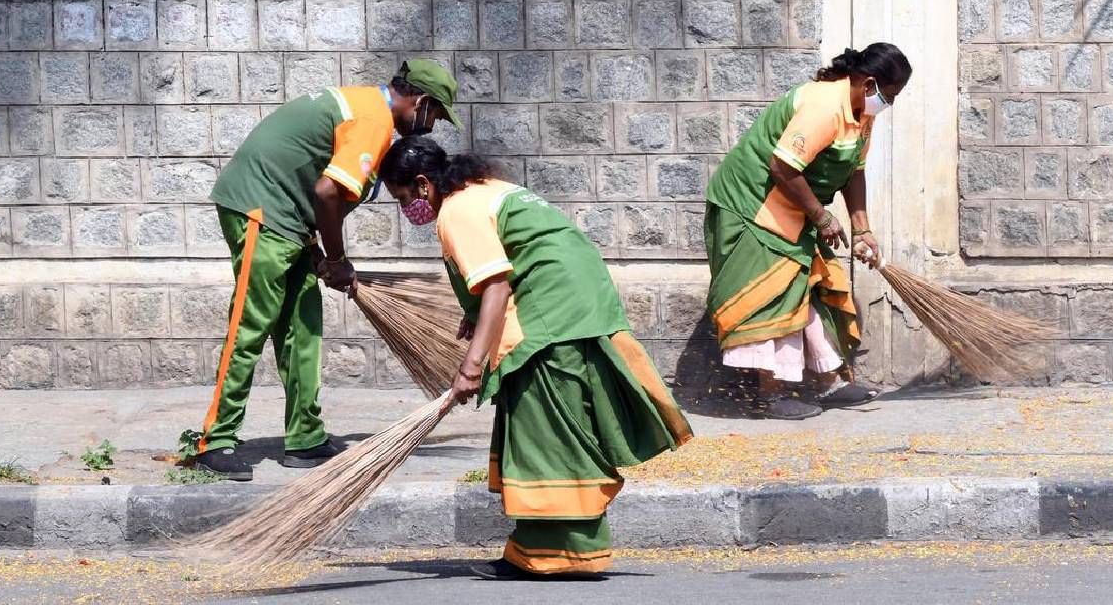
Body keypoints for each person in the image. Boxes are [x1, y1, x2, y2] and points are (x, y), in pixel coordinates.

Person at [379, 136, 693, 580]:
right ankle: (534, 550)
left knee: (548, 432)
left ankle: (559, 556)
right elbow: (514, 259)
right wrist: (476, 322)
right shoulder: (484, 188)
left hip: (550, 316)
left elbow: (496, 286)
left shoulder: (457, 211)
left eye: (403, 197)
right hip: (577, 303)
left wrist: (470, 367)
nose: (407, 208)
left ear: (424, 184)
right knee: (551, 425)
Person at [195, 60, 462, 481]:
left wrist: (318, 251)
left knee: (303, 326)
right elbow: (326, 192)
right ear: (421, 101)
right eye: (436, 114)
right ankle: (215, 439)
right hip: (258, 209)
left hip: (287, 217)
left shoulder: (365, 108)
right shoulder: (373, 120)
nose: (433, 124)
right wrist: (336, 260)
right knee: (251, 323)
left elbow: (315, 187)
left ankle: (304, 437)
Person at [704, 43, 912, 420]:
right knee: (774, 294)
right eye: (890, 95)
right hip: (753, 205)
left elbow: (855, 172)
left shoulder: (863, 114)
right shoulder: (822, 107)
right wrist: (821, 217)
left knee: (812, 284)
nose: (889, 104)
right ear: (868, 84)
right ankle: (770, 394)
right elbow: (783, 167)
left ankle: (828, 381)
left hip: (793, 207)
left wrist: (863, 229)